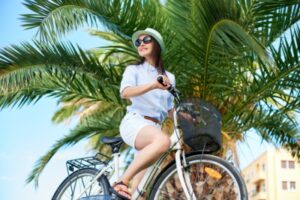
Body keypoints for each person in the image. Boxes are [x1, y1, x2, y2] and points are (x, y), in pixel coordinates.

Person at [111, 28, 175, 200]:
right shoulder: (134, 70)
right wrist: (153, 85)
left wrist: (188, 118)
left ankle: (128, 190)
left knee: (139, 194)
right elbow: (125, 92)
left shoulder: (170, 77)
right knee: (163, 141)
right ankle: (121, 182)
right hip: (135, 122)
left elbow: (170, 109)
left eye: (146, 40)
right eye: (138, 42)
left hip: (153, 130)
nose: (141, 44)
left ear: (157, 44)